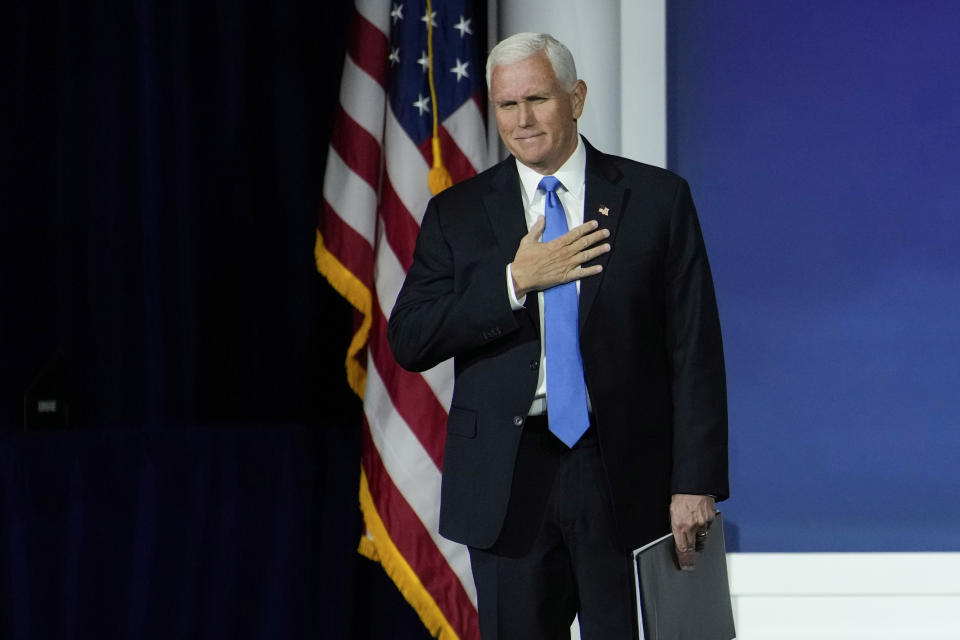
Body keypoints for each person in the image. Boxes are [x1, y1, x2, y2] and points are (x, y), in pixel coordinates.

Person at [388, 32, 727, 639]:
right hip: (509, 478)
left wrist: (694, 481)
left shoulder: (656, 200)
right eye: (506, 106)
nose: (522, 121)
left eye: (538, 99)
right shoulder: (458, 213)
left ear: (577, 97)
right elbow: (410, 338)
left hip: (620, 473)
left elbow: (694, 349)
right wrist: (515, 281)